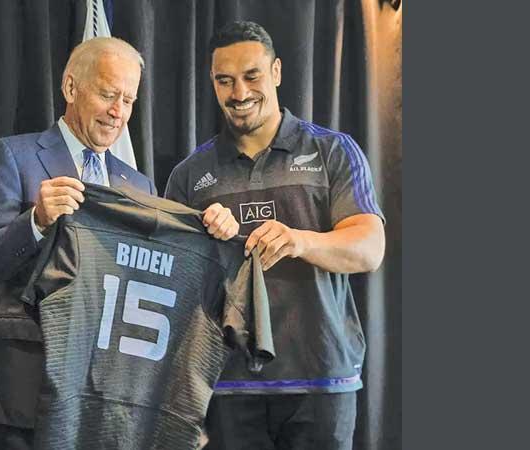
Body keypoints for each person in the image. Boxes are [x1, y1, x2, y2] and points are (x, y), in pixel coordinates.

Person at [164, 21, 386, 450]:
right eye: (224, 81)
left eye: (252, 76)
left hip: (320, 380)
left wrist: (301, 241)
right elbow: (174, 286)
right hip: (226, 388)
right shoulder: (189, 175)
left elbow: (369, 247)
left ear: (278, 72)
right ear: (211, 82)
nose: (239, 93)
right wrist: (203, 243)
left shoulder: (333, 151)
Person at [0, 37, 157, 450]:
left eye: (129, 100)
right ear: (71, 88)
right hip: (29, 388)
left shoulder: (138, 184)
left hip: (110, 395)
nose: (119, 112)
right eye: (107, 94)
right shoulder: (13, 156)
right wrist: (35, 221)